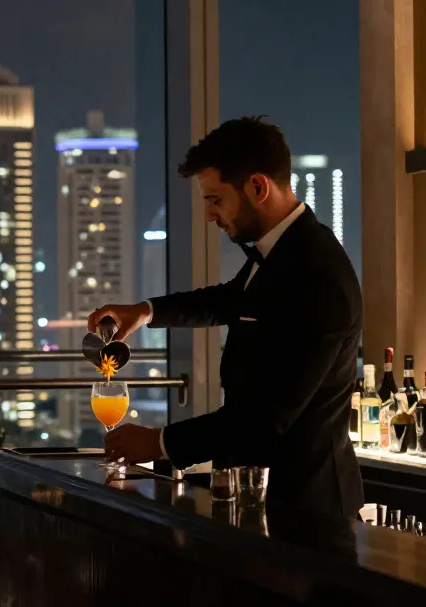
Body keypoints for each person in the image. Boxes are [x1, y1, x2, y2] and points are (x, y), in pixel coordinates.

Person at [89, 116, 363, 519]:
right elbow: (228, 300)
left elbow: (267, 418)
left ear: (257, 186)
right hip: (265, 494)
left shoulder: (317, 273)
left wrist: (161, 442)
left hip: (308, 507)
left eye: (216, 200)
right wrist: (145, 312)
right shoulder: (281, 252)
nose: (209, 215)